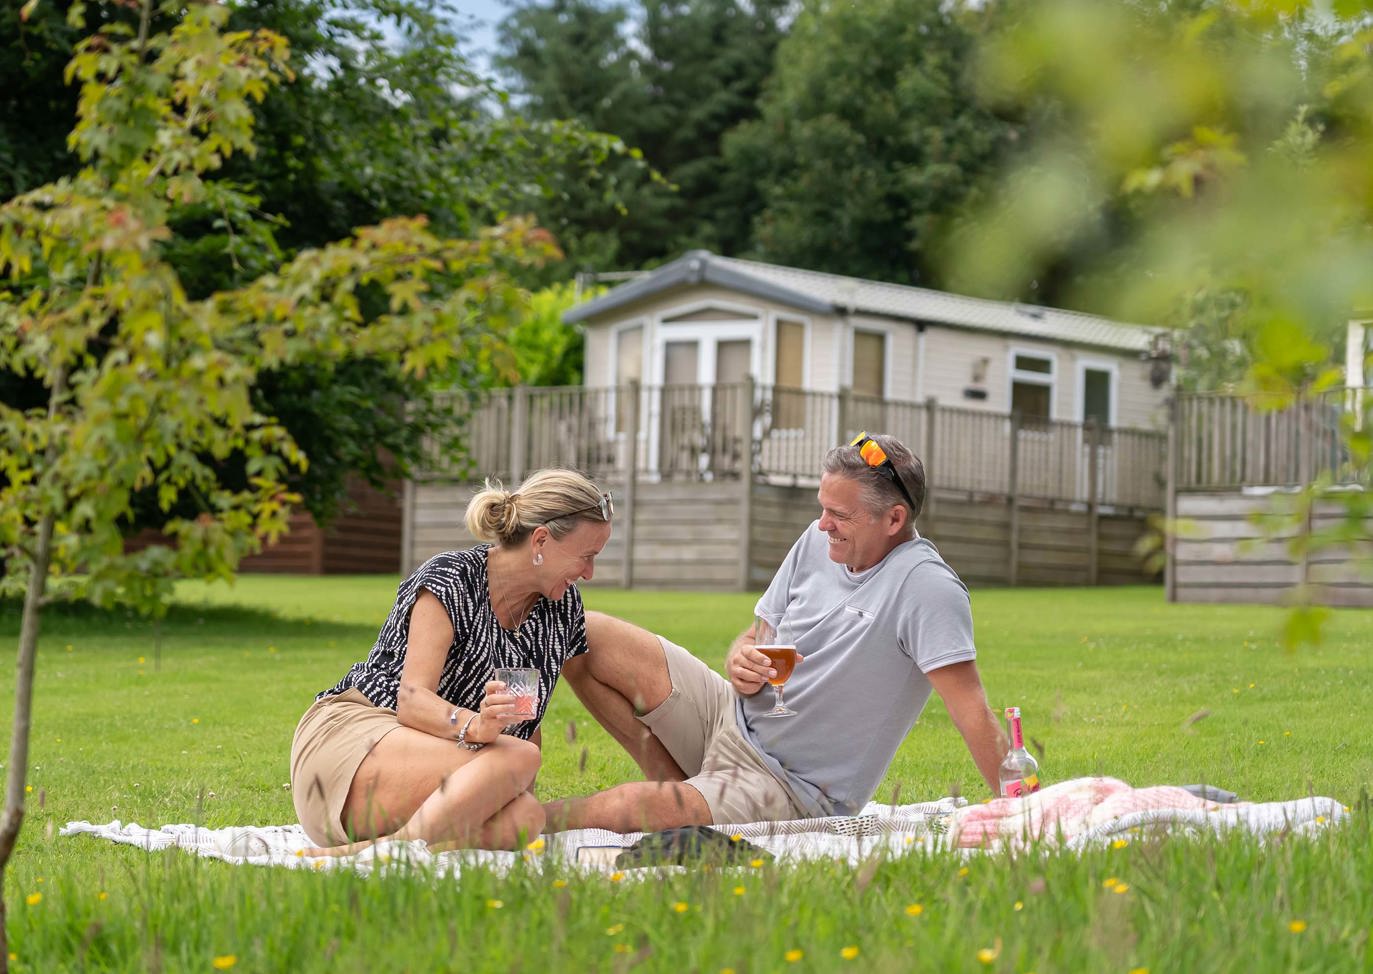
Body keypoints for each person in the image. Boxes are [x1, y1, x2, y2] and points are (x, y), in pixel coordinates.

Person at [546, 433, 1006, 832]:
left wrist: (1028, 808)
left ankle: (515, 820)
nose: (823, 524)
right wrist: (740, 658)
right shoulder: (817, 540)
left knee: (628, 808)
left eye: (839, 515)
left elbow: (972, 711)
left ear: (893, 520)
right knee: (585, 635)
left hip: (787, 784)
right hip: (728, 714)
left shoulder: (927, 588)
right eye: (822, 509)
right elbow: (755, 634)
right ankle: (682, 791)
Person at [290, 468, 614, 855]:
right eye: (586, 556)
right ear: (541, 539)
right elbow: (412, 701)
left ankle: (395, 847)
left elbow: (525, 727)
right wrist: (478, 725)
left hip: (436, 776)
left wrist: (504, 764)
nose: (590, 574)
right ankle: (387, 851)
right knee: (520, 758)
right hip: (357, 742)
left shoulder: (558, 611)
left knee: (525, 817)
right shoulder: (452, 578)